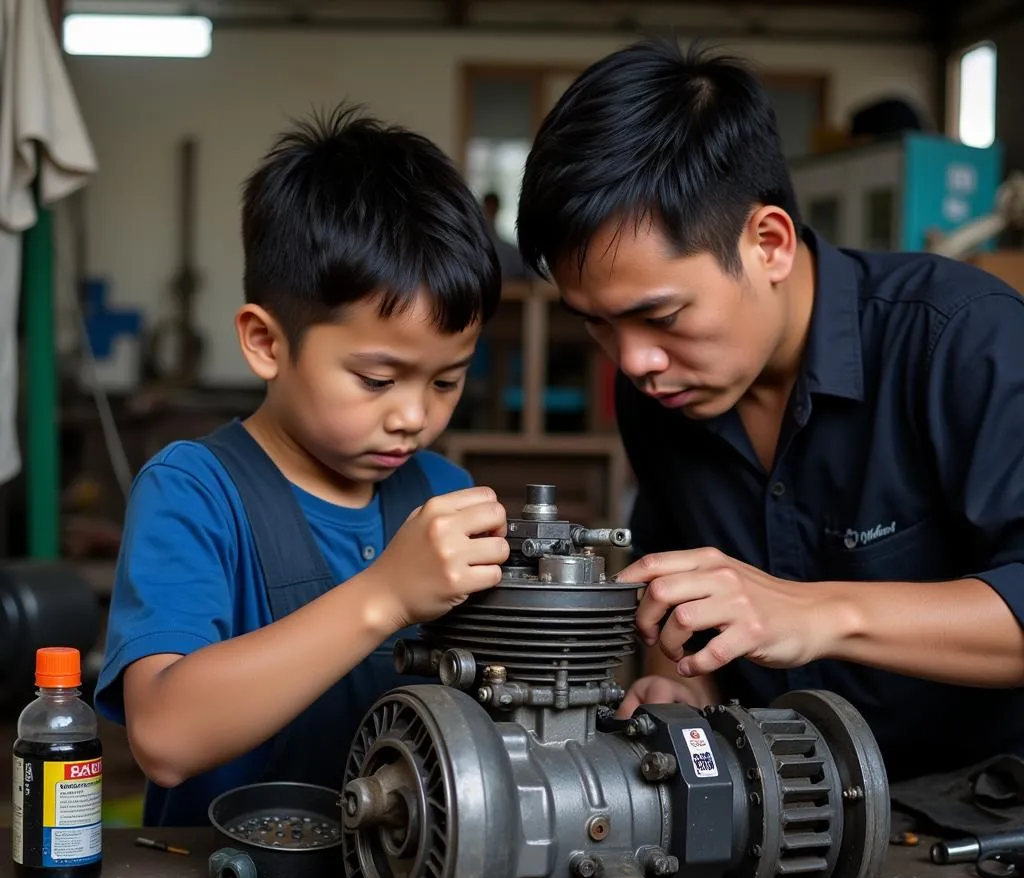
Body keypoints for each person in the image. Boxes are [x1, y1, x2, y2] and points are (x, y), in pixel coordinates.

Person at [516, 37, 1024, 783]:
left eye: (661, 315)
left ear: (769, 243)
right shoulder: (656, 394)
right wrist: (681, 683)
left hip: (980, 819)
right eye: (597, 322)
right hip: (782, 824)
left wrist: (818, 613)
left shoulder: (962, 340)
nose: (632, 362)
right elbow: (677, 593)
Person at [95, 106, 508, 826]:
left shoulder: (444, 494)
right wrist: (385, 596)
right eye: (377, 380)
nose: (414, 415)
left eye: (446, 381)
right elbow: (163, 735)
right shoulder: (194, 493)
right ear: (265, 342)